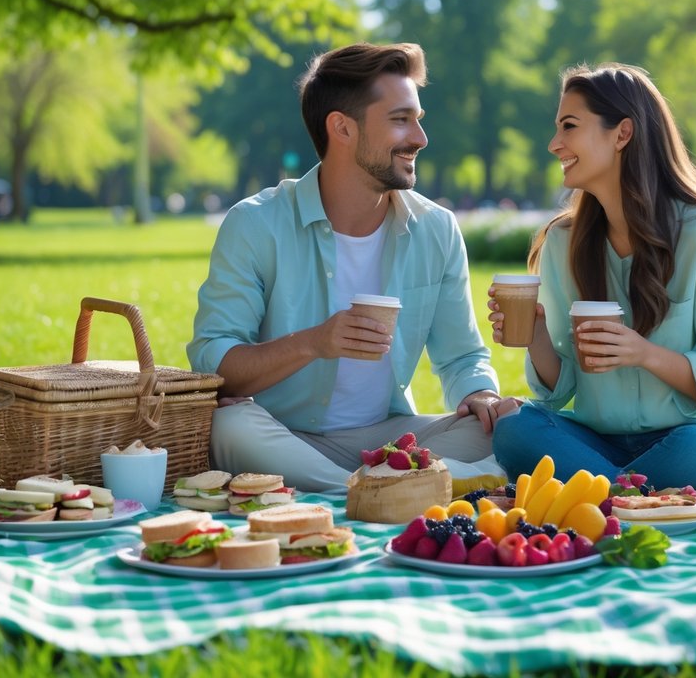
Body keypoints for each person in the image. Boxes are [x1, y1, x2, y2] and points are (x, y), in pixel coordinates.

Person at [188, 42, 518, 494]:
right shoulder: (256, 223)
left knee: (510, 425)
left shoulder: (435, 228)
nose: (420, 138)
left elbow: (461, 357)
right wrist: (315, 342)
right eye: (401, 120)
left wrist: (479, 393)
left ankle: (371, 486)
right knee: (227, 425)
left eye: (418, 119)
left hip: (387, 436)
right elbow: (214, 363)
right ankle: (390, 489)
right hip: (284, 438)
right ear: (342, 128)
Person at [489, 63, 696, 501]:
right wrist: (536, 336)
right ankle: (639, 501)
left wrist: (643, 353)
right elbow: (563, 387)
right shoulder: (562, 242)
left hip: (686, 434)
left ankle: (596, 498)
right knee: (516, 429)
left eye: (569, 127)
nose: (555, 144)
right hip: (599, 439)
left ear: (622, 133)